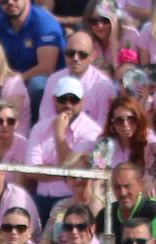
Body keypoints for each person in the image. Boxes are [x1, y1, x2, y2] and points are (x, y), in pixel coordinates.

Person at [23, 75, 99, 220]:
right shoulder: (40, 128)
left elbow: (72, 170)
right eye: (63, 99)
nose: (68, 104)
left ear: (82, 102)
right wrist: (65, 173)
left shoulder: (92, 132)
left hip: (73, 201)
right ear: (54, 100)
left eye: (73, 100)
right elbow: (31, 171)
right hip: (41, 200)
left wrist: (59, 135)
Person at [0, 0, 65, 114]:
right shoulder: (0, 23)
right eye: (4, 1)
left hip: (49, 83)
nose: (10, 2)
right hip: (14, 80)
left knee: (37, 84)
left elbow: (46, 68)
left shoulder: (43, 22)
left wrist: (16, 80)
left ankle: (36, 125)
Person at [109, 161, 156, 244]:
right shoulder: (106, 214)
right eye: (117, 187)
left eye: (127, 186)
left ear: (140, 185)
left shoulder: (155, 211)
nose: (123, 193)